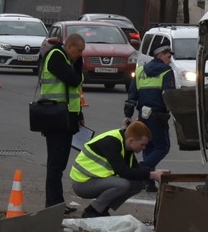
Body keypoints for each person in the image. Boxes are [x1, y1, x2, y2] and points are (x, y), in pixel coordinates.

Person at [69, 120, 169, 217]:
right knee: (122, 184)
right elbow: (124, 172)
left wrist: (154, 172)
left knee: (138, 184)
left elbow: (135, 170)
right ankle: (92, 211)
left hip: (94, 180)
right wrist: (152, 175)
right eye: (142, 144)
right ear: (131, 141)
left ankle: (102, 209)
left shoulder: (126, 144)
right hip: (82, 183)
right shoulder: (111, 142)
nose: (144, 148)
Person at [39, 32, 85, 208]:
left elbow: (73, 92)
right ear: (70, 46)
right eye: (79, 50)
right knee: (55, 163)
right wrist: (78, 65)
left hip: (68, 116)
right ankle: (53, 203)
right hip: (55, 117)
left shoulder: (68, 59)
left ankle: (57, 201)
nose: (80, 54)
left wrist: (79, 115)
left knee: (61, 163)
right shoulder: (56, 56)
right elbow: (74, 80)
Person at [124, 42, 176, 191]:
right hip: (158, 115)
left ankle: (149, 181)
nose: (170, 59)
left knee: (148, 145)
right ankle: (143, 168)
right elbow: (169, 96)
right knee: (162, 146)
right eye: (168, 55)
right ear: (160, 55)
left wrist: (128, 115)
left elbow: (132, 95)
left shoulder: (140, 71)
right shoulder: (167, 71)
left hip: (143, 115)